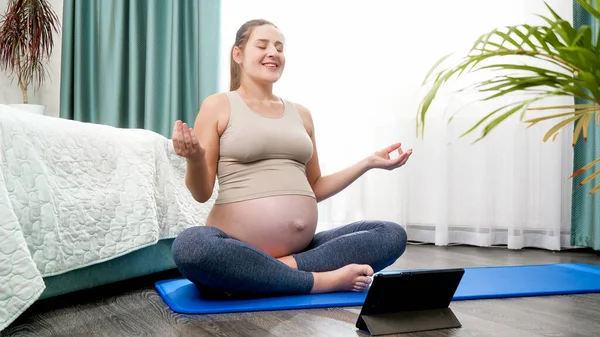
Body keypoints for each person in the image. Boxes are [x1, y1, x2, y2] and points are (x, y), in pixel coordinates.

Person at [170, 19, 412, 298]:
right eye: (262, 45)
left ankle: (262, 274)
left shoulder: (302, 114)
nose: (273, 52)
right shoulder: (218, 105)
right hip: (234, 246)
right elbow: (201, 193)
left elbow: (315, 186)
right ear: (238, 55)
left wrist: (367, 163)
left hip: (302, 251)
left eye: (279, 47)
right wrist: (196, 158)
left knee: (391, 234)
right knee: (191, 247)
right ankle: (320, 281)